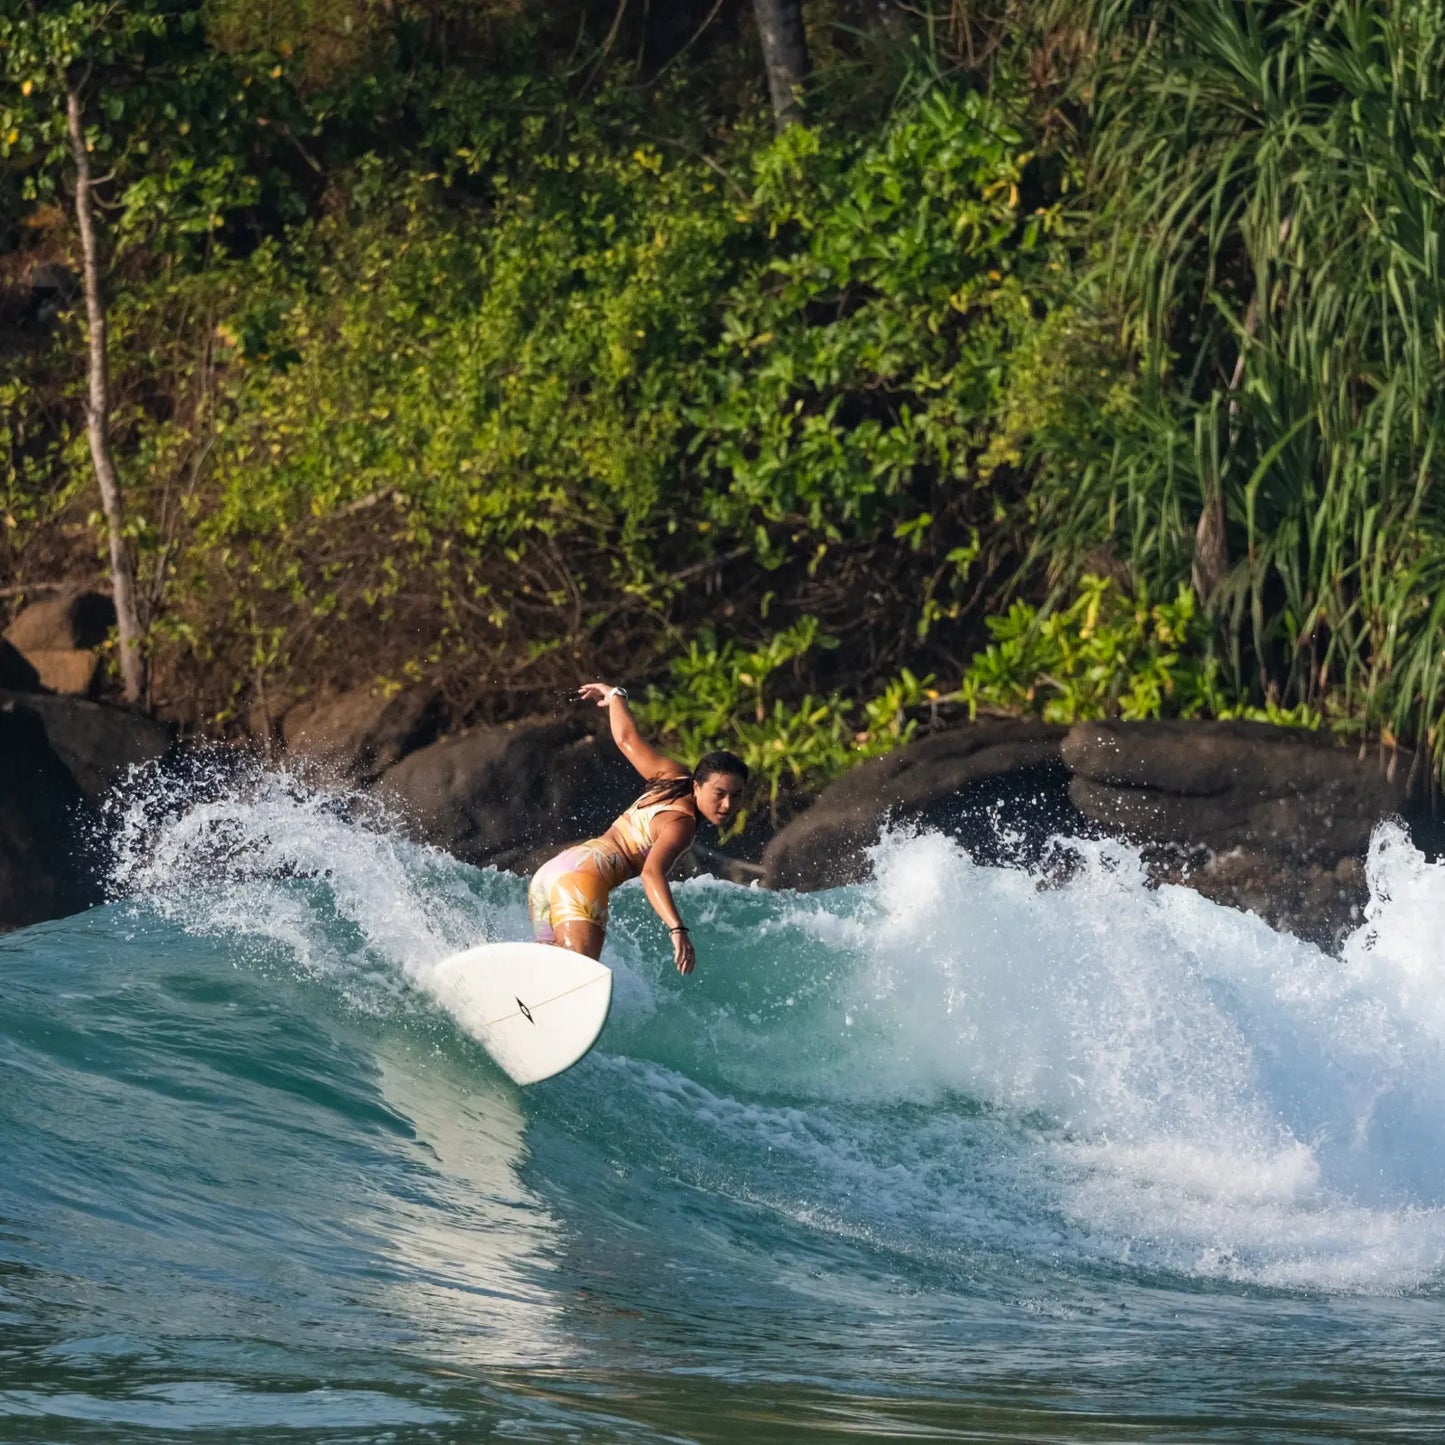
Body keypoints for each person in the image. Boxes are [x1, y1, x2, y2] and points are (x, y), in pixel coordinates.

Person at [527, 682, 749, 974]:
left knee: (549, 978)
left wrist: (616, 695)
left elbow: (625, 738)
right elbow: (651, 873)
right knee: (574, 979)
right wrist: (678, 929)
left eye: (736, 795)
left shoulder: (671, 776)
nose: (727, 804)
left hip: (552, 873)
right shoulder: (681, 824)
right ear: (698, 786)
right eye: (719, 794)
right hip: (581, 884)